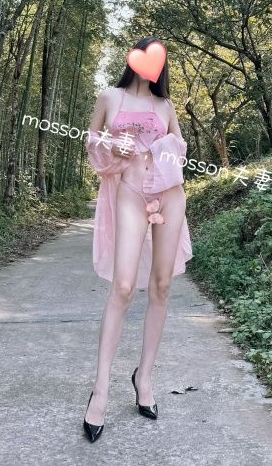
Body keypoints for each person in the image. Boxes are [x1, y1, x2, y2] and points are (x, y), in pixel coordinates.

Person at [82, 37, 193, 442]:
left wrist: (165, 146)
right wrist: (115, 145)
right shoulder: (109, 97)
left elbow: (180, 152)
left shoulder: (166, 106)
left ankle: (143, 377)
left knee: (161, 286)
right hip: (128, 191)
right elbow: (91, 141)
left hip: (168, 194)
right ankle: (100, 390)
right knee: (124, 287)